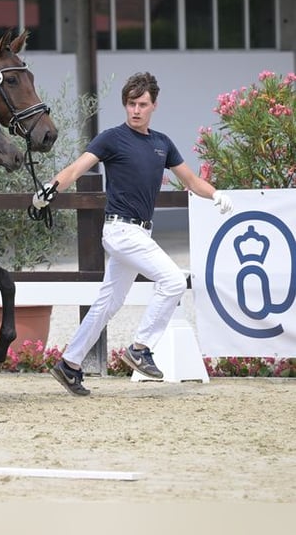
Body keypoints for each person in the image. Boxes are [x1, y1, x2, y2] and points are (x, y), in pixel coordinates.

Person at [32, 72, 233, 396]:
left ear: (154, 105)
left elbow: (192, 182)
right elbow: (75, 169)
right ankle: (141, 348)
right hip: (120, 230)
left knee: (106, 304)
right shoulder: (112, 138)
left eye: (142, 104)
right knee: (173, 280)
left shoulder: (162, 144)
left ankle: (69, 364)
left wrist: (217, 195)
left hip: (140, 233)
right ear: (125, 105)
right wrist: (50, 189)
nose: (135, 110)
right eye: (130, 104)